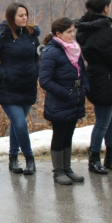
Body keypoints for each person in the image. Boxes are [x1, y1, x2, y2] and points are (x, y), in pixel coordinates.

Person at [0, 2, 40, 175]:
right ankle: (30, 158)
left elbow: (37, 57)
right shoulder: (2, 36)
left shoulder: (31, 34)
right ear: (11, 17)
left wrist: (36, 70)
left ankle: (13, 157)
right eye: (20, 15)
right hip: (8, 88)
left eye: (26, 15)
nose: (24, 18)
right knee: (21, 124)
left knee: (17, 124)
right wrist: (5, 74)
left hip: (28, 87)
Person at [76, 0, 112, 174]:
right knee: (104, 121)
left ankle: (111, 156)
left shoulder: (84, 28)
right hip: (105, 79)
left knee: (111, 119)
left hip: (100, 77)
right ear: (105, 8)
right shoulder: (103, 30)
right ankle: (95, 158)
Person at [39, 17, 89, 185]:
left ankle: (67, 169)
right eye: (69, 32)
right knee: (59, 135)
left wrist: (84, 89)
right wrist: (65, 93)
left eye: (73, 31)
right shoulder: (51, 52)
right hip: (60, 101)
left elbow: (83, 72)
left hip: (75, 99)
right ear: (58, 34)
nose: (73, 35)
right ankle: (58, 171)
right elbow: (44, 80)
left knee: (69, 135)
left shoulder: (74, 50)